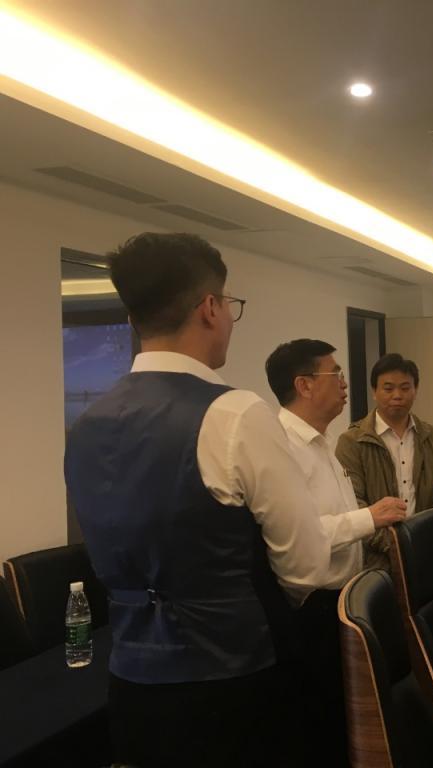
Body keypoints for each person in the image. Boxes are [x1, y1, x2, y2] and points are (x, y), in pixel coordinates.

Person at [64, 233, 341, 768]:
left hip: (130, 679)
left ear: (134, 317)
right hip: (234, 678)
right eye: (230, 305)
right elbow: (305, 566)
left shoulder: (87, 424)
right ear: (210, 307)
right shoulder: (237, 413)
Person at [265, 338, 407, 765]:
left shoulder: (322, 442)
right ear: (304, 385)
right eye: (336, 374)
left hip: (344, 598)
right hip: (312, 608)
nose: (345, 384)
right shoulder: (282, 447)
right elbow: (298, 534)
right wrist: (370, 518)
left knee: (347, 717)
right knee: (322, 721)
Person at [336, 353, 433, 567]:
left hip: (427, 552)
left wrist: (425, 539)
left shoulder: (432, 436)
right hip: (376, 560)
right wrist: (396, 546)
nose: (397, 395)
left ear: (415, 390)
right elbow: (353, 504)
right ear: (374, 391)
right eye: (388, 388)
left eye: (405, 388)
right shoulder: (352, 441)